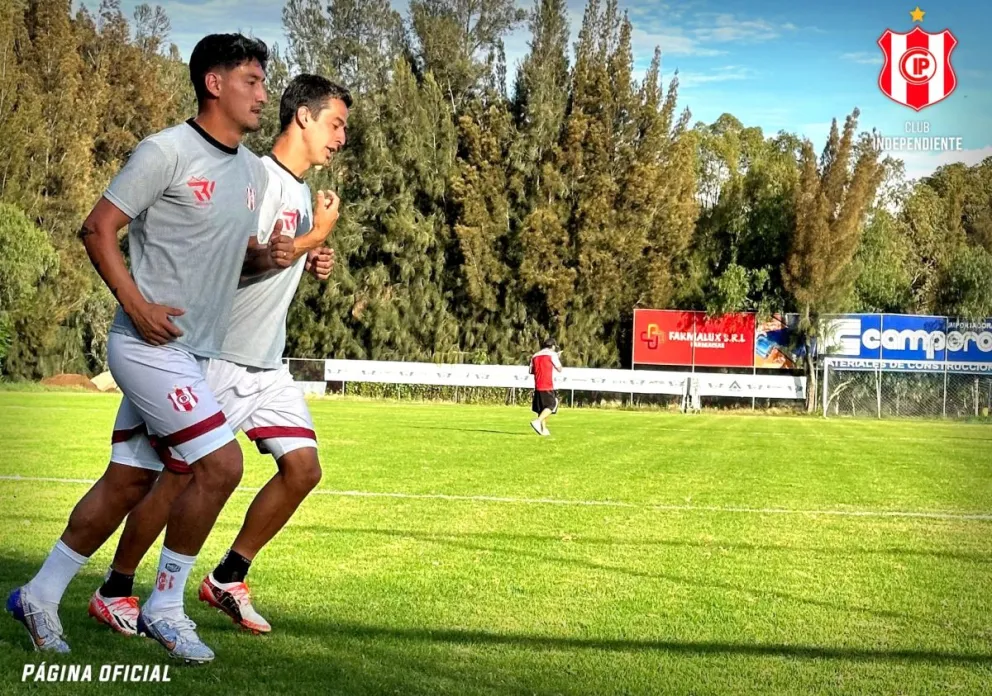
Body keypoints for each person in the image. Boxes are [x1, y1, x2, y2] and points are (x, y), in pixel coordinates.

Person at [5, 33, 281, 661]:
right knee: (222, 466)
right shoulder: (166, 151)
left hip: (196, 355)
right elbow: (97, 228)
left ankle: (39, 595)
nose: (263, 93)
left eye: (263, 81)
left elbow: (221, 264)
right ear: (214, 84)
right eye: (252, 80)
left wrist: (265, 259)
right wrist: (136, 304)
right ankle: (163, 604)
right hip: (146, 345)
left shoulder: (247, 173)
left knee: (129, 482)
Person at [89, 75, 350, 645]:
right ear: (302, 117)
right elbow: (235, 265)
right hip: (220, 356)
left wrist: (312, 255)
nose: (341, 138)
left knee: (303, 469)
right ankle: (117, 587)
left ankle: (228, 576)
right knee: (170, 479)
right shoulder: (252, 176)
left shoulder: (301, 193)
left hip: (266, 362)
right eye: (336, 124)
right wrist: (309, 243)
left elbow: (274, 263)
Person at [529, 338, 563, 436]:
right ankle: (538, 421)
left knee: (542, 408)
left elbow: (531, 371)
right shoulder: (552, 355)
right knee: (552, 405)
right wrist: (558, 357)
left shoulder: (535, 355)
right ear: (552, 346)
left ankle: (543, 429)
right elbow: (559, 368)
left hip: (538, 385)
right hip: (548, 385)